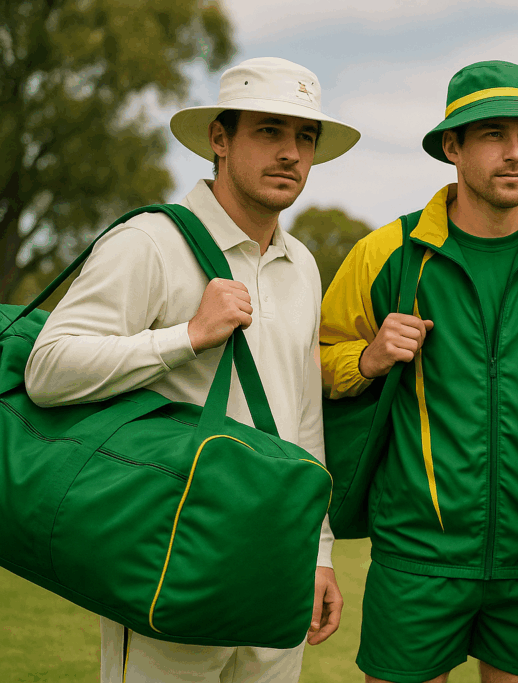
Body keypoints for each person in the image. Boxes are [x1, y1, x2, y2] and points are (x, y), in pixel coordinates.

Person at [24, 56, 359, 683]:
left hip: (277, 555)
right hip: (171, 550)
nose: (290, 153)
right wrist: (187, 337)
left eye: (304, 137)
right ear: (219, 138)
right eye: (268, 131)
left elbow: (303, 419)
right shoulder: (151, 242)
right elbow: (48, 368)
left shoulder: (305, 264)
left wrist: (318, 552)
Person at [320, 60, 518, 683]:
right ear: (452, 147)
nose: (515, 153)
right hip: (416, 561)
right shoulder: (385, 254)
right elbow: (313, 368)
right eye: (493, 134)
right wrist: (366, 357)